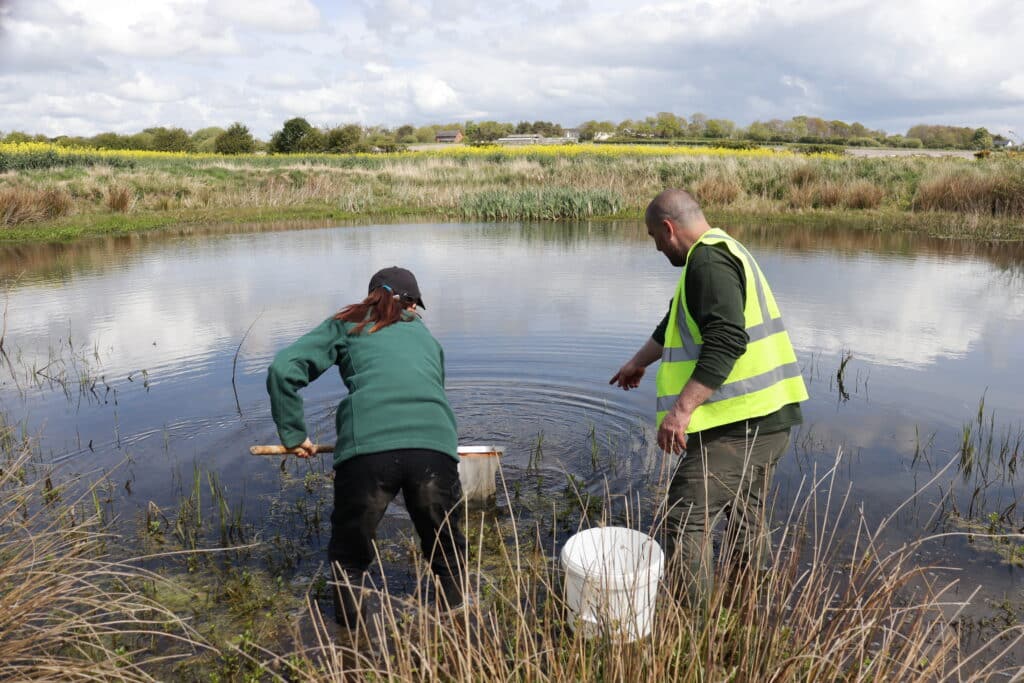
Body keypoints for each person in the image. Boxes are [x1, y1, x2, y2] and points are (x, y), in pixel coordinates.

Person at [610, 189, 808, 606]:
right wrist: (637, 362)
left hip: (740, 426)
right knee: (746, 517)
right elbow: (675, 321)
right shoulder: (722, 249)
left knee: (685, 520)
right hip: (769, 418)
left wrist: (680, 412)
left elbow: (726, 342)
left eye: (654, 238)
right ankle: (745, 606)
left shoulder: (708, 261)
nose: (657, 248)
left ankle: (690, 625)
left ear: (669, 228)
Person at [265, 266, 465, 629]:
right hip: (433, 449)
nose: (415, 314)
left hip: (366, 453)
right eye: (416, 307)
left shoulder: (349, 322)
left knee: (349, 560)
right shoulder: (425, 337)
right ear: (411, 304)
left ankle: (350, 644)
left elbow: (283, 368)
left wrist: (294, 434)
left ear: (372, 296)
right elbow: (434, 391)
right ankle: (456, 640)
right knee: (447, 556)